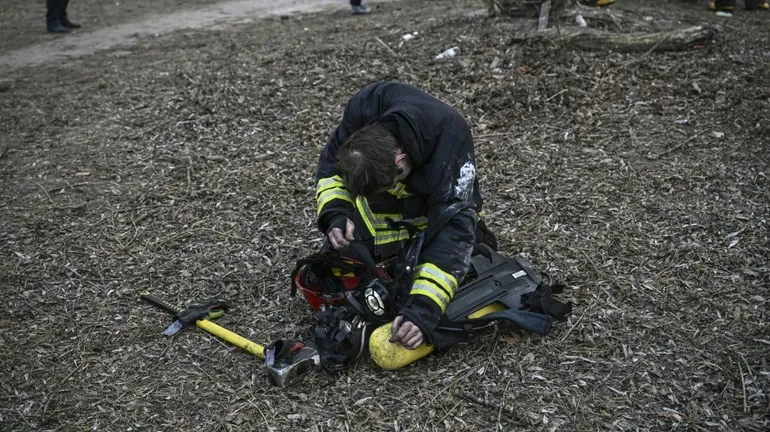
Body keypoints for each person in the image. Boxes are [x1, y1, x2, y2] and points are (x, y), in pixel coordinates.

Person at [312, 81, 497, 350]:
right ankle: (390, 255)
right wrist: (336, 214)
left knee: (450, 240)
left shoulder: (449, 141)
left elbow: (453, 232)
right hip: (400, 194)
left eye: (391, 185)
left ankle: (464, 242)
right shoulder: (368, 105)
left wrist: (423, 310)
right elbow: (332, 166)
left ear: (400, 161)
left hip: (436, 207)